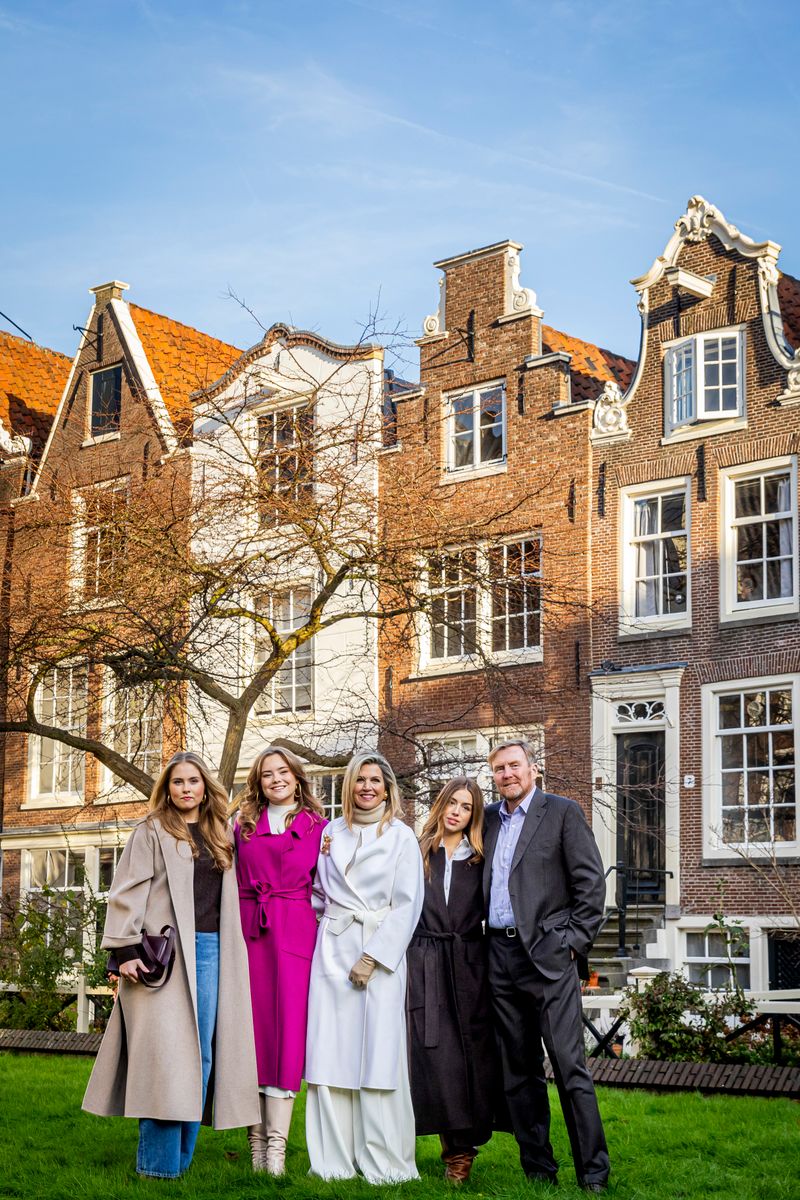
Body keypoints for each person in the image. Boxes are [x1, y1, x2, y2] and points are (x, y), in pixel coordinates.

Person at [83, 751, 259, 1179]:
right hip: (163, 956)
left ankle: (179, 1162)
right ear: (167, 788)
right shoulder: (151, 831)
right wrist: (123, 951)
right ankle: (158, 1167)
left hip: (213, 951)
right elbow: (127, 889)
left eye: (193, 781)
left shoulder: (222, 832)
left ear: (205, 787)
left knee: (200, 1058)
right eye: (178, 782)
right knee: (165, 1058)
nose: (186, 789)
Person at [483, 740, 609, 1193]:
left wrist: (571, 944)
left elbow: (590, 886)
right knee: (519, 1072)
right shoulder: (489, 822)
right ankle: (538, 1169)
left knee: (569, 1066)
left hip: (549, 957)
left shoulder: (562, 812)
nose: (507, 774)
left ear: (533, 769)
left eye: (514, 765)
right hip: (499, 956)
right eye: (498, 768)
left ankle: (593, 1173)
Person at [304, 751, 424, 1184]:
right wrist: (327, 929)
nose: (367, 787)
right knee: (330, 1054)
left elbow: (408, 904)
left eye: (376, 780)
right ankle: (332, 1162)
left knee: (379, 1056)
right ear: (349, 786)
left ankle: (385, 1162)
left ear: (388, 788)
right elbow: (319, 890)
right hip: (333, 950)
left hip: (380, 954)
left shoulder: (402, 837)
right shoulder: (330, 833)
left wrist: (372, 957)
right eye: (360, 780)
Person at [234, 745, 327, 1174]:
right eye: (267, 774)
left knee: (287, 1038)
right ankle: (255, 1144)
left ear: (297, 777)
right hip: (250, 932)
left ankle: (277, 1148)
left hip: (294, 935)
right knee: (253, 1038)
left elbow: (330, 887)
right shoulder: (243, 827)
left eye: (283, 772)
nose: (276, 780)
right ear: (258, 782)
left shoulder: (318, 828)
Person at [408, 776, 500, 1185]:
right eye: (451, 802)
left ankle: (462, 1153)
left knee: (469, 1060)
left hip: (469, 965)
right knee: (435, 1057)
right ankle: (446, 1149)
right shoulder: (416, 851)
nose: (456, 811)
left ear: (473, 814)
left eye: (465, 806)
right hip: (424, 962)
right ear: (439, 805)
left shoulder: (481, 857)